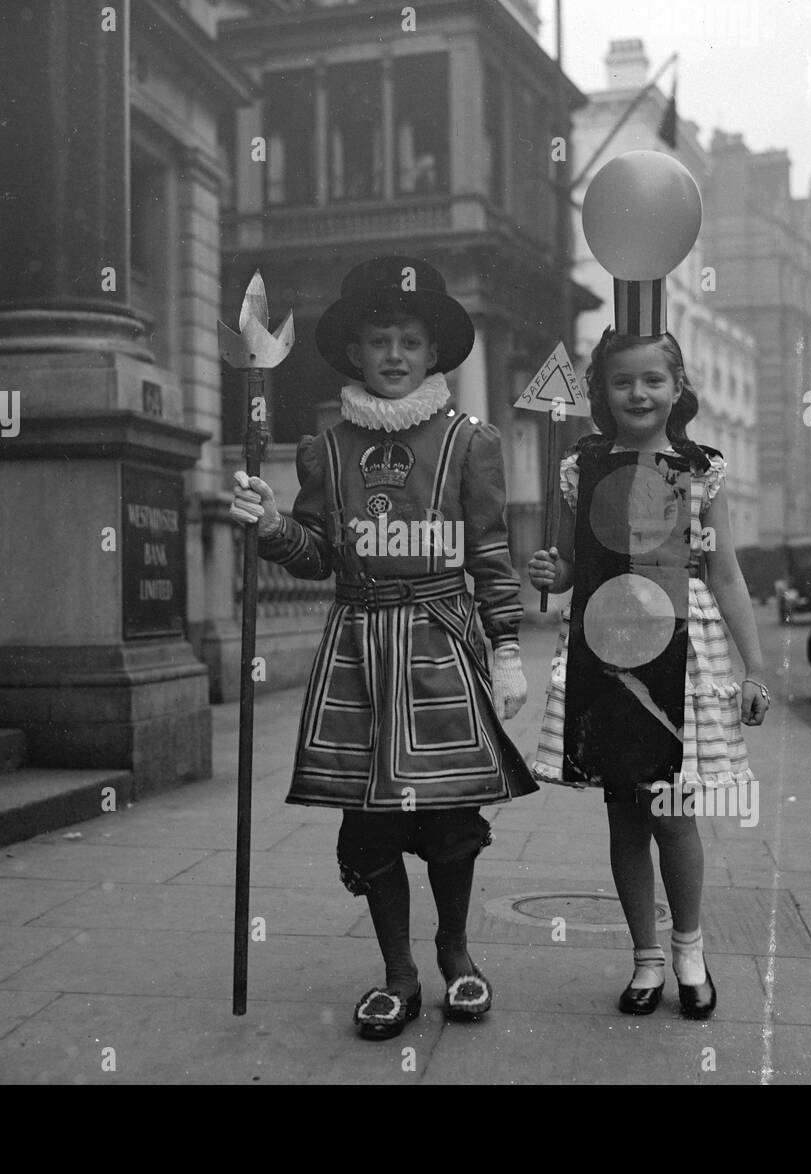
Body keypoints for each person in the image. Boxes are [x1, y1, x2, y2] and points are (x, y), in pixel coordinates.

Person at [229, 255, 536, 1040]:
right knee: (369, 826)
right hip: (358, 649)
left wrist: (505, 646)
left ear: (433, 353)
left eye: (408, 340)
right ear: (355, 354)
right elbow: (317, 553)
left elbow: (491, 556)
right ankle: (398, 974)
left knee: (450, 819)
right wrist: (269, 526)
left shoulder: (472, 443)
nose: (394, 354)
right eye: (378, 340)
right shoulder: (325, 450)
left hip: (441, 641)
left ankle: (456, 954)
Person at [528, 327, 770, 1019]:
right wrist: (557, 572)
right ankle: (645, 958)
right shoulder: (583, 467)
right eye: (622, 381)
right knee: (625, 814)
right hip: (607, 643)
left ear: (677, 388)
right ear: (602, 392)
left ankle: (690, 949)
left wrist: (755, 668)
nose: (638, 393)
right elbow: (581, 561)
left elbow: (724, 573)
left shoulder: (701, 468)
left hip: (680, 650)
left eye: (652, 381)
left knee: (673, 813)